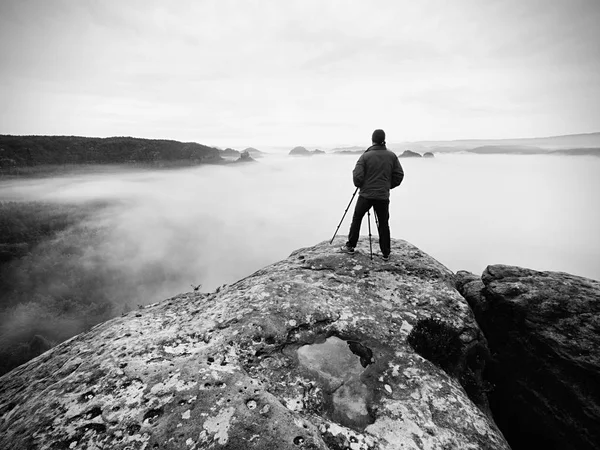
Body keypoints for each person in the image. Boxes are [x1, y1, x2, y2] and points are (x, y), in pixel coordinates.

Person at [340, 129, 404, 261]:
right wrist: (387, 185)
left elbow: (357, 177)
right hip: (382, 196)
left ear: (372, 140)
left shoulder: (365, 156)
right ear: (384, 140)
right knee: (383, 223)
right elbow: (399, 175)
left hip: (365, 196)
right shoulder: (392, 156)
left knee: (357, 218)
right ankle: (386, 253)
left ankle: (351, 246)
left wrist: (363, 184)